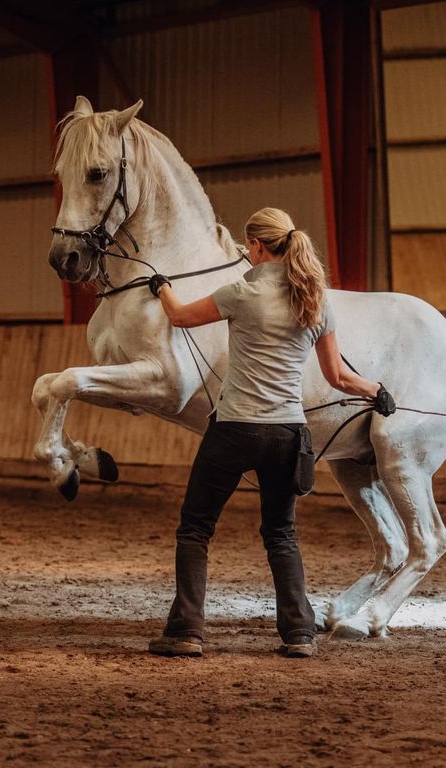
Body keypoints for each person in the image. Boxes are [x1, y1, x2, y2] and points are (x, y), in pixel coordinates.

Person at [145, 207, 395, 659]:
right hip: (287, 433)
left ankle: (185, 630)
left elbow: (180, 317)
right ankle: (299, 634)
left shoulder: (240, 293)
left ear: (258, 248)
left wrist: (162, 289)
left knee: (196, 528)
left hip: (235, 428)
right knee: (281, 534)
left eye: (250, 247)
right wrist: (375, 390)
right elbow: (338, 376)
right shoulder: (315, 301)